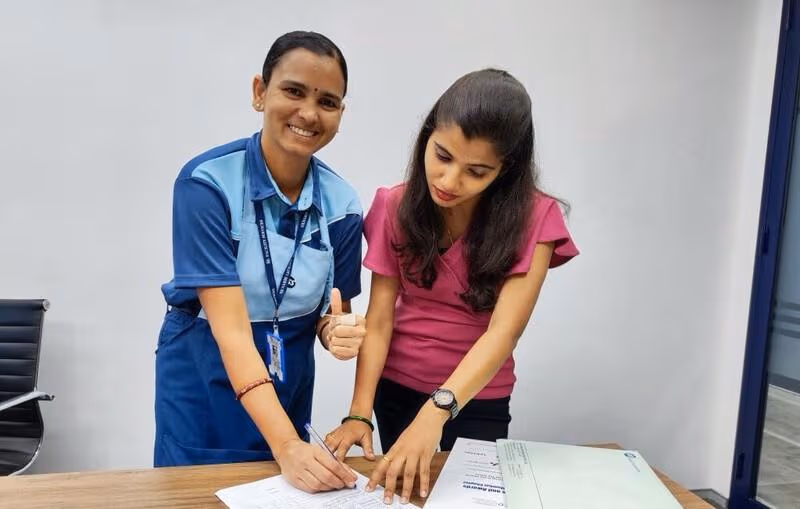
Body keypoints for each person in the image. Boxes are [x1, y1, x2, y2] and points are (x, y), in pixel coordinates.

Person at [324, 69, 579, 504]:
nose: (448, 180)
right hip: (398, 387)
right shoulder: (395, 204)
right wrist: (358, 413)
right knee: (406, 496)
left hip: (480, 394)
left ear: (506, 169)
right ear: (427, 136)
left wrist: (435, 414)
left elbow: (504, 332)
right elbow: (380, 318)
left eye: (476, 171)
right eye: (441, 155)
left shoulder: (536, 219)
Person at [154, 30, 366, 493]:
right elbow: (230, 334)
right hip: (205, 362)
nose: (309, 113)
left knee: (278, 494)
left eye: (327, 101)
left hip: (288, 366)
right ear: (259, 92)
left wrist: (337, 332)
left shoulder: (344, 205)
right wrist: (287, 445)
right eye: (293, 91)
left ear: (340, 114)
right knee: (195, 492)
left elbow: (333, 314)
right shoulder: (206, 184)